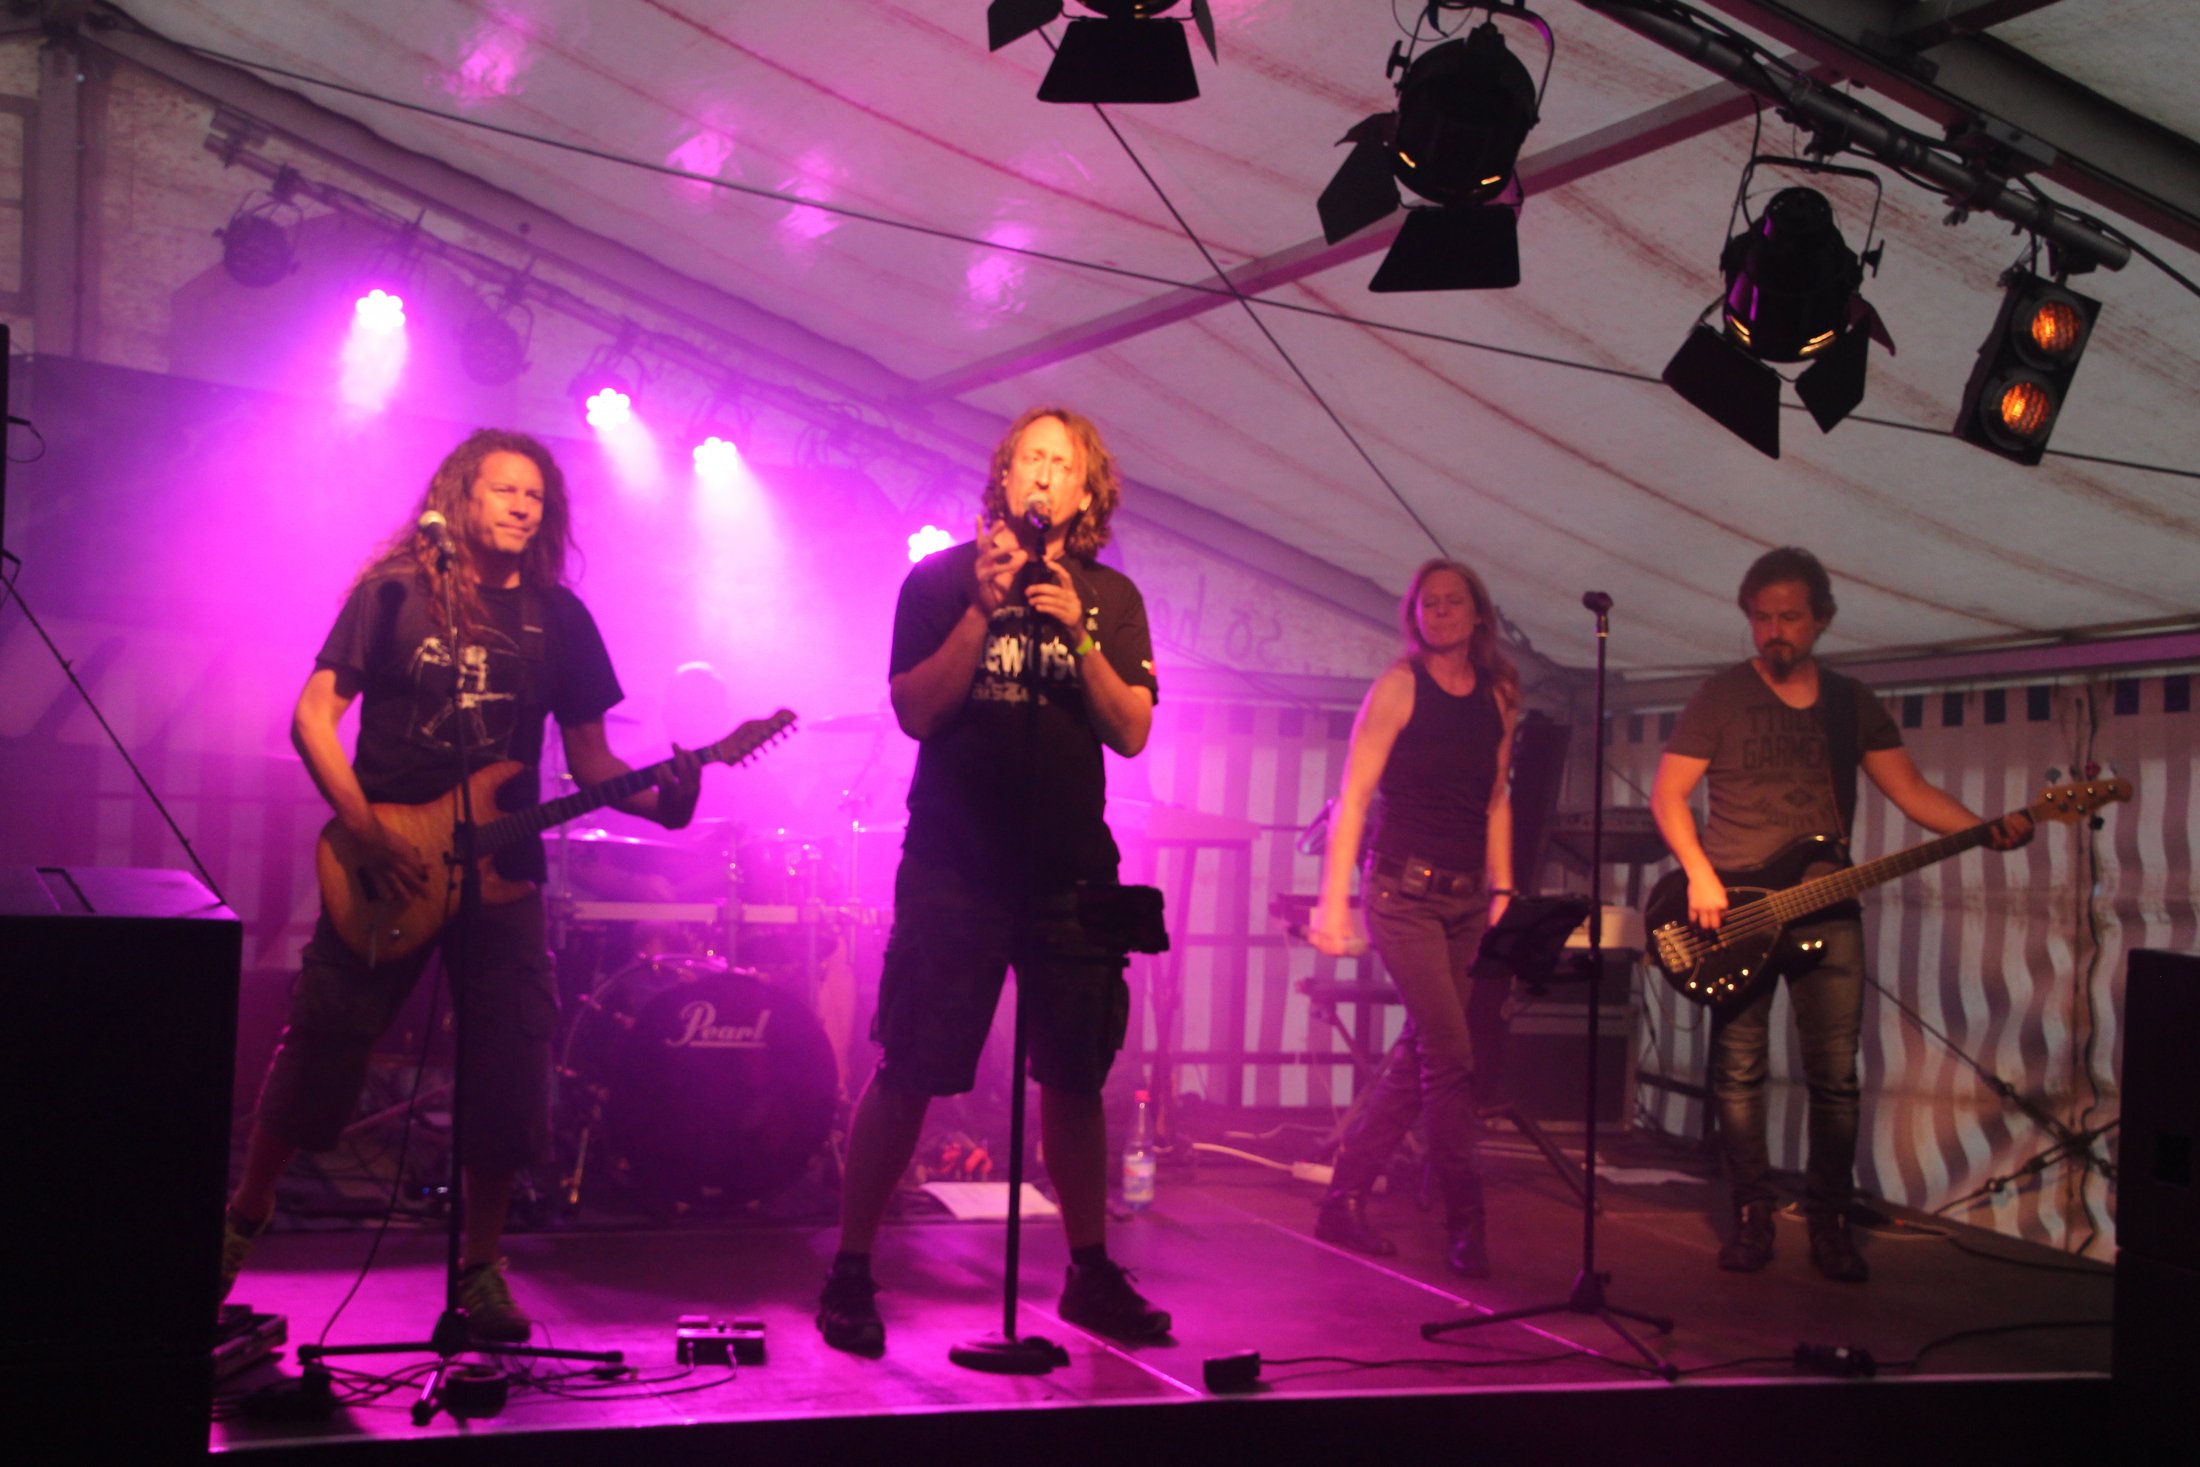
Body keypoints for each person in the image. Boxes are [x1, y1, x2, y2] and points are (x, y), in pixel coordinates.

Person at [221, 429, 701, 1341]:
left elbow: (592, 759)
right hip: (388, 863)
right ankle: (241, 1219)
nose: (523, 505)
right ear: (461, 497)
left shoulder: (561, 620)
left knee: (510, 1064)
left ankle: (480, 1269)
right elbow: (313, 717)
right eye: (505, 489)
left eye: (536, 494)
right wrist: (365, 830)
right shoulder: (393, 593)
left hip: (503, 874)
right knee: (325, 1037)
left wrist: (664, 803)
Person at [816, 406, 1165, 1355]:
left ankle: (1088, 1272)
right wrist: (983, 607)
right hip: (955, 868)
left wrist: (1078, 634)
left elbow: (1131, 730)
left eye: (1064, 464)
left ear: (1086, 493)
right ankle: (850, 1269)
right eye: (1031, 459)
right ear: (1005, 479)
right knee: (911, 1066)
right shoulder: (938, 581)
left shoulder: (1111, 596)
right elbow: (917, 712)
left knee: (1075, 1075)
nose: (1045, 475)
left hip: (1068, 873)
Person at [1649, 546, 2030, 1282]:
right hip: (1733, 910)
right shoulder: (1720, 695)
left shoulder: (1851, 703)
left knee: (1835, 1076)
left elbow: (1910, 789)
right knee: (1738, 1070)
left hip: (1826, 907)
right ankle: (1752, 1212)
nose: (1775, 631)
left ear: (1821, 618)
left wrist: (1985, 827)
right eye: (1762, 618)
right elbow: (1669, 795)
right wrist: (1699, 873)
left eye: (1790, 617)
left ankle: (1828, 1220)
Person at [1308, 558, 1519, 1277]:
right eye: (1430, 602)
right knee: (1452, 1056)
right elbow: (1354, 798)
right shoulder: (1399, 688)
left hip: (1467, 899)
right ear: (1415, 615)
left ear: (1479, 613)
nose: (1442, 611)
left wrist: (1504, 890)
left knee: (1421, 1053)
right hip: (1402, 894)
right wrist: (1332, 902)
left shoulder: (1499, 694)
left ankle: (1342, 1198)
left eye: (1455, 601)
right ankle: (1467, 1218)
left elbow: (1496, 798)